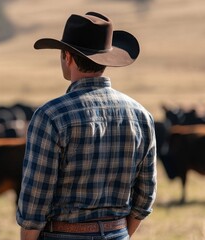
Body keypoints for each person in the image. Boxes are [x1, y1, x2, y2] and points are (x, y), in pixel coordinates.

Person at [16, 12, 157, 240]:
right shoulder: (142, 116)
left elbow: (35, 205)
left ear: (68, 56)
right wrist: (116, 232)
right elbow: (144, 198)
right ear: (106, 60)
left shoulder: (50, 116)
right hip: (117, 233)